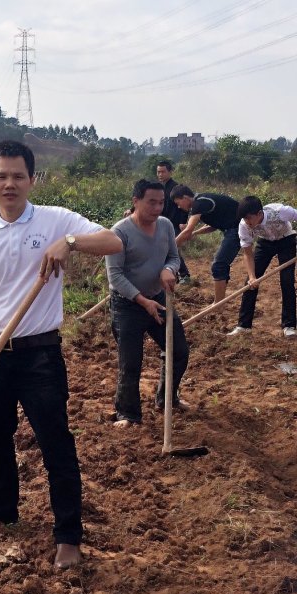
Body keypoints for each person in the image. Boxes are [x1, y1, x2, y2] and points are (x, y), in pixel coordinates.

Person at [0, 140, 122, 571]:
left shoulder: (55, 221)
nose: (9, 183)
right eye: (1, 176)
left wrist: (70, 242)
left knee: (55, 444)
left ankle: (68, 535)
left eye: (18, 176)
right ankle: (0, 510)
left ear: (32, 179)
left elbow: (113, 242)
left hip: (40, 354)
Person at [106, 179, 189, 427]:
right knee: (130, 362)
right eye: (151, 202)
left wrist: (168, 269)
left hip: (159, 299)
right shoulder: (119, 233)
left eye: (161, 202)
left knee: (179, 351)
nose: (157, 208)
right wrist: (142, 301)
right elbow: (116, 276)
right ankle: (127, 414)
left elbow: (174, 257)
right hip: (128, 305)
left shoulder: (165, 226)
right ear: (135, 201)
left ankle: (167, 398)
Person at [227, 196, 297, 337]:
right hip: (265, 243)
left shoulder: (280, 211)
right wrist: (253, 276)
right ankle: (244, 325)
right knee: (250, 283)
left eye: (249, 218)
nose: (247, 222)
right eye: (244, 219)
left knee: (287, 280)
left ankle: (289, 325)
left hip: (286, 240)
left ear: (259, 214)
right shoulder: (244, 225)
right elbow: (248, 254)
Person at [172, 185, 240, 303]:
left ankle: (218, 304)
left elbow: (187, 230)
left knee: (218, 264)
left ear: (185, 197)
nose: (179, 206)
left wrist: (170, 248)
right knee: (220, 265)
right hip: (233, 229)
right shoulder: (202, 202)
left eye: (178, 203)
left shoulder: (200, 203)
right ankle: (220, 301)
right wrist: (195, 233)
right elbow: (213, 226)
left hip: (238, 229)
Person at [156, 160, 191, 283]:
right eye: (158, 172)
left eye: (163, 171)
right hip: (160, 223)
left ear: (170, 172)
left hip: (174, 224)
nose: (160, 174)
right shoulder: (158, 188)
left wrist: (183, 221)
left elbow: (185, 206)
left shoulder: (176, 188)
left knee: (172, 249)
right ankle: (173, 274)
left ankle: (184, 274)